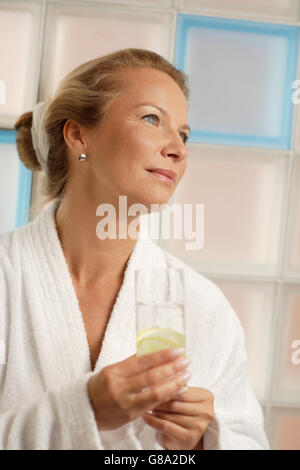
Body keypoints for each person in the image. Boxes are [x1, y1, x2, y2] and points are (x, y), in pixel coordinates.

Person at [0, 48, 270, 450]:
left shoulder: (202, 306)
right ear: (78, 135)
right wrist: (82, 411)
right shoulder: (7, 277)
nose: (178, 149)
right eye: (151, 118)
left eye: (183, 134)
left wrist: (203, 441)